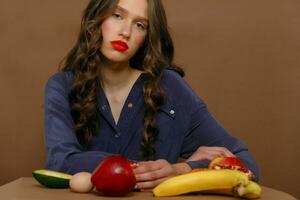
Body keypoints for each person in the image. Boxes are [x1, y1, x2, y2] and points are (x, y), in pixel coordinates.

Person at [44, 0, 259, 190]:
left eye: (140, 25)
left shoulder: (170, 88)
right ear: (96, 18)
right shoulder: (62, 86)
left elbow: (246, 165)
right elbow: (61, 161)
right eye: (117, 15)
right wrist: (152, 170)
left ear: (147, 36)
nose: (125, 32)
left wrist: (182, 169)